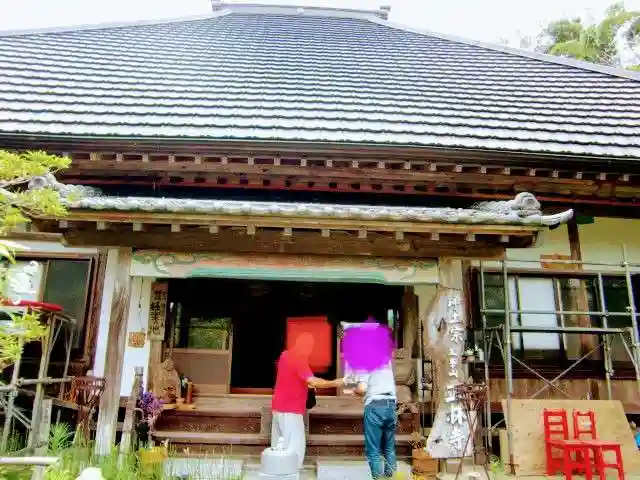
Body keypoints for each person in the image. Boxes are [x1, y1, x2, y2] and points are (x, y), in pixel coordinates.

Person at [271, 333, 344, 470]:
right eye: (310, 347)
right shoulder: (299, 358)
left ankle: (277, 471)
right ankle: (292, 473)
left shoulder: (285, 355)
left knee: (279, 446)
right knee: (294, 447)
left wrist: (307, 386)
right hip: (291, 409)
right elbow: (311, 380)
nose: (310, 351)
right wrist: (334, 383)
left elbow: (293, 378)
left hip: (278, 407)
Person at [353, 360, 397, 479]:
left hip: (375, 407)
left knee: (374, 450)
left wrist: (354, 391)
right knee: (389, 449)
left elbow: (362, 389)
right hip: (391, 405)